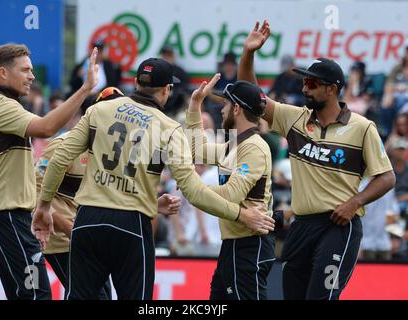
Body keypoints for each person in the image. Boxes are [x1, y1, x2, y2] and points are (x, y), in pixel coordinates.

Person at [32, 57, 274, 300]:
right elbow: (192, 188)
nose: (221, 108)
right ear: (167, 89)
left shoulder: (98, 110)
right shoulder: (169, 128)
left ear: (136, 82)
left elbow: (60, 157)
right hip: (131, 224)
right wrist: (241, 214)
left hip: (88, 219)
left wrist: (43, 206)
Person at [238, 20, 396, 300]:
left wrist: (355, 202)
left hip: (338, 226)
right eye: (303, 82)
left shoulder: (362, 127)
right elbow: (250, 95)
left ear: (332, 89)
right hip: (301, 226)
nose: (305, 88)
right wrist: (249, 53)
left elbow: (387, 177)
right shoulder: (294, 117)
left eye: (311, 83)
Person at [0, 43, 99, 300]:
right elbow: (46, 127)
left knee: (28, 295)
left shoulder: (1, 105)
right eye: (25, 70)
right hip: (5, 217)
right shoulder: (0, 106)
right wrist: (85, 89)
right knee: (37, 295)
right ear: (3, 73)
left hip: (7, 216)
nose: (32, 76)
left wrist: (35, 211)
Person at [36, 86, 181, 299]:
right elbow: (36, 193)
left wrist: (154, 204)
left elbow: (115, 192)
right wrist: (66, 225)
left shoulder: (119, 147)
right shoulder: (62, 145)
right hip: (62, 239)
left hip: (88, 231)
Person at [186, 73, 275, 300]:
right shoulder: (234, 145)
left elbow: (231, 194)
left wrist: (192, 188)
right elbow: (197, 150)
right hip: (235, 244)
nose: (222, 110)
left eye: (225, 104)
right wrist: (195, 105)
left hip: (249, 245)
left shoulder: (254, 147)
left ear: (237, 109)